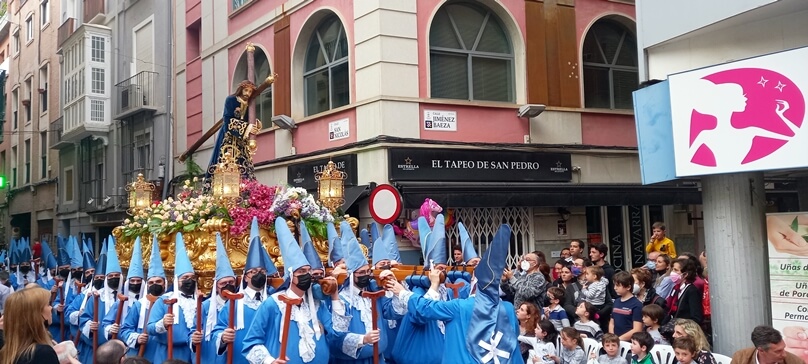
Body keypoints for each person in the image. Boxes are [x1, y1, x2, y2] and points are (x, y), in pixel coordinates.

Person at [241, 217, 342, 364]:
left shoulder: (316, 303)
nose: (306, 275)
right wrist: (269, 361)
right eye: (301, 272)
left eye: (308, 271)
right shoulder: (272, 304)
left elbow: (338, 331)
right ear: (290, 276)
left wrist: (334, 296)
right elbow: (250, 343)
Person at [203, 73, 276, 190]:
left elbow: (249, 120)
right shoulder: (231, 100)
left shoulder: (250, 103)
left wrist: (254, 126)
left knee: (244, 165)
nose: (247, 93)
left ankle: (247, 189)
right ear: (241, 89)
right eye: (245, 90)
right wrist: (247, 128)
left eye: (250, 92)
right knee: (226, 164)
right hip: (228, 139)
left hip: (242, 140)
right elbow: (227, 120)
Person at [147, 234, 199, 363]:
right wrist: (163, 323)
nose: (189, 281)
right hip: (166, 354)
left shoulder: (200, 302)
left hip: (191, 353)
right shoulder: (164, 301)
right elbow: (150, 328)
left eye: (192, 278)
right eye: (185, 278)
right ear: (177, 281)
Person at [119, 236, 167, 359]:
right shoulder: (139, 305)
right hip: (142, 354)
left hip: (164, 354)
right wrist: (137, 337)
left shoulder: (172, 304)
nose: (154, 285)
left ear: (164, 284)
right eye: (151, 282)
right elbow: (125, 330)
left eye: (158, 282)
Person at [0, 287, 62, 364]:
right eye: (48, 304)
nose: (51, 308)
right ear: (36, 314)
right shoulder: (42, 353)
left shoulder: (8, 351)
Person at [731, 325, 803, 364]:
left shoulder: (795, 362)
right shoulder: (740, 358)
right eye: (778, 351)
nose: (784, 354)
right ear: (761, 350)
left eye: (783, 348)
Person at [609, 272, 643, 341]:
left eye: (618, 285)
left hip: (629, 343)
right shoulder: (616, 301)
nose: (615, 288)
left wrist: (619, 339)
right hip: (614, 342)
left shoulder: (637, 304)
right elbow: (612, 322)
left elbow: (637, 329)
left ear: (628, 287)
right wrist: (612, 337)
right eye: (614, 285)